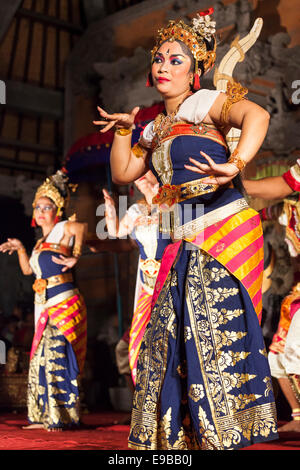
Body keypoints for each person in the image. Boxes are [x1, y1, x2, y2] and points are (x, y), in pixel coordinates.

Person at [94, 10, 278, 450]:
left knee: (208, 332)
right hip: (180, 239)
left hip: (217, 232)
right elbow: (122, 173)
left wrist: (234, 164)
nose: (163, 66)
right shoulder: (154, 128)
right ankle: (181, 441)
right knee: (168, 338)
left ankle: (222, 435)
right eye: (159, 59)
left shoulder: (205, 103)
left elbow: (258, 116)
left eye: (176, 60)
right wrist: (124, 130)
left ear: (196, 71)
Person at [0, 170, 87, 431]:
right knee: (38, 358)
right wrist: (21, 249)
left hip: (64, 301)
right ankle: (42, 416)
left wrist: (76, 256)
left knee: (55, 354)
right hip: (44, 304)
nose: (39, 211)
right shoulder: (39, 243)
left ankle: (63, 416)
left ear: (57, 209)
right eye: (37, 207)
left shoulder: (64, 229)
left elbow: (81, 228)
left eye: (45, 207)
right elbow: (29, 271)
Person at [244, 162, 300, 432]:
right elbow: (264, 209)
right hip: (297, 294)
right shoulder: (287, 209)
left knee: (294, 352)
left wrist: (232, 183)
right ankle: (298, 417)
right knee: (279, 354)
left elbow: (283, 183)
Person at [102, 171, 170, 386]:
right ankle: (143, 399)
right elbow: (114, 231)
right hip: (146, 286)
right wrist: (110, 208)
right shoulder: (135, 209)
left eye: (144, 171)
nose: (138, 176)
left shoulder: (172, 203)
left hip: (169, 281)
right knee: (137, 343)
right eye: (136, 173)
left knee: (169, 343)